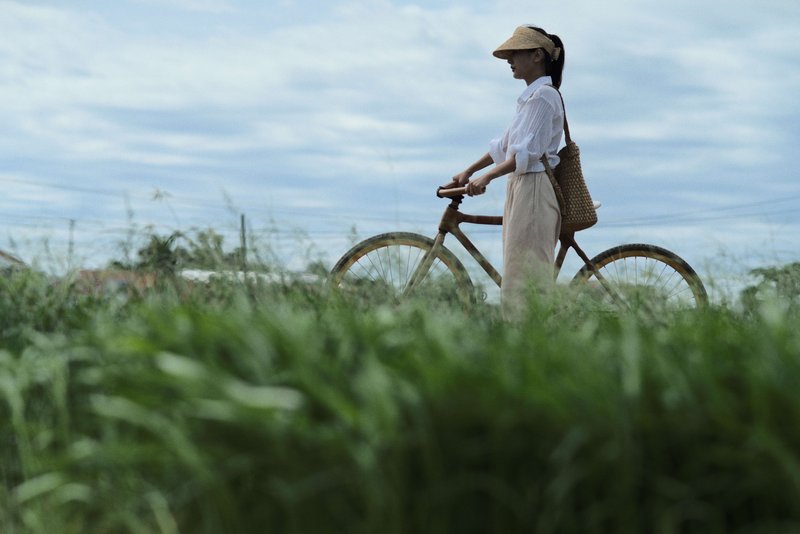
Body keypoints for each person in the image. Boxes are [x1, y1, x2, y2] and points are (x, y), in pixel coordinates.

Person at [446, 25, 566, 319]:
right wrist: (469, 171)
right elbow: (505, 146)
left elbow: (528, 152)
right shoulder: (530, 98)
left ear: (537, 55)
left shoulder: (544, 97)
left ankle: (532, 343)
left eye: (515, 54)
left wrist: (487, 177)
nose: (510, 60)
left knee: (527, 274)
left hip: (535, 186)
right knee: (517, 267)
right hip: (523, 184)